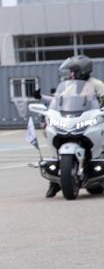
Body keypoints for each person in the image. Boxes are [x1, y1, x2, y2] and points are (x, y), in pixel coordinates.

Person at [45, 55, 104, 198]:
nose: (71, 74)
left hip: (92, 117)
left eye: (73, 71)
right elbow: (59, 99)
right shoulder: (71, 86)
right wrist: (47, 102)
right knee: (56, 138)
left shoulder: (96, 84)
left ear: (82, 70)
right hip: (72, 118)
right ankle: (55, 183)